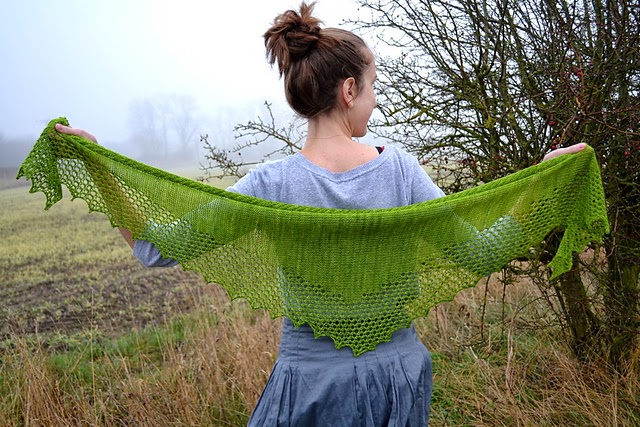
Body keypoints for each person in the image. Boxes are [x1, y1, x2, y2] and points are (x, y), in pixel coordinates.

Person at [55, 2, 585, 425]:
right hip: (397, 380)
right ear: (349, 89)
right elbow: (481, 253)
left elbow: (156, 248)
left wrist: (102, 171)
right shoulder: (401, 171)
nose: (373, 101)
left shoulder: (270, 185)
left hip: (307, 386)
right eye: (372, 87)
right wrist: (541, 183)